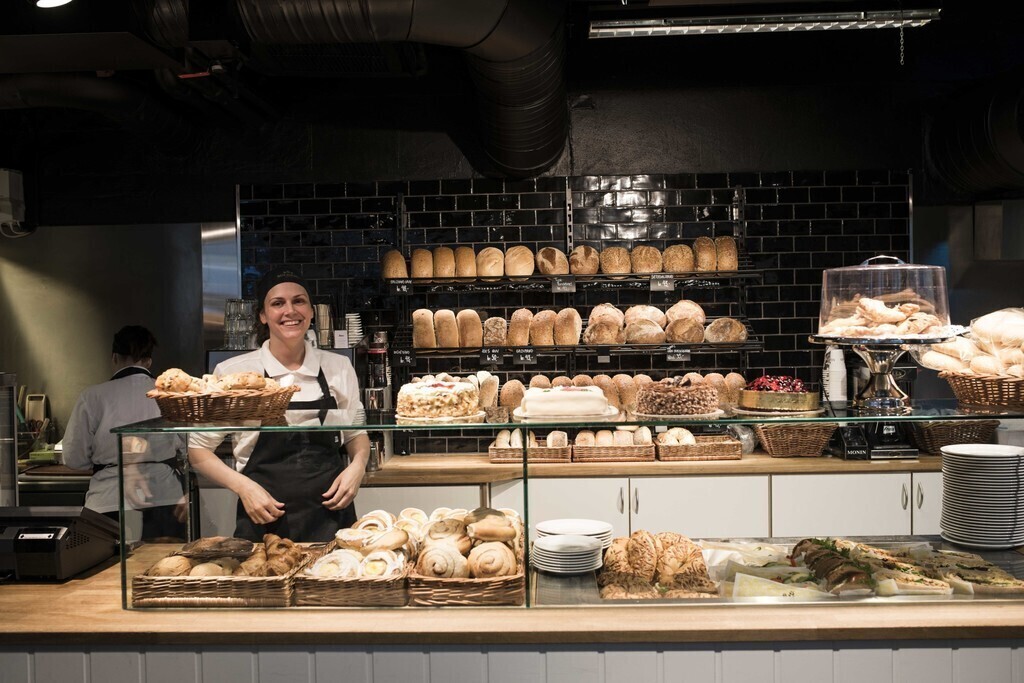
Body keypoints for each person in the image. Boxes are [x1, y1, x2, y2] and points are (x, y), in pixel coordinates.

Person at [188, 267, 370, 542]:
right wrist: (244, 488)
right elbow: (198, 451)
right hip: (263, 520)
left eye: (299, 301)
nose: (290, 311)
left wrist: (356, 468)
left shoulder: (339, 366)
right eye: (277, 303)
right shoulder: (233, 372)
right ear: (262, 315)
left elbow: (356, 434)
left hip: (332, 517)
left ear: (311, 311)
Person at [62, 325, 187, 541]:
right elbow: (190, 449)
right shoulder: (170, 395)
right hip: (164, 496)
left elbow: (73, 458)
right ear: (148, 361)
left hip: (107, 500)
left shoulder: (92, 396)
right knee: (163, 569)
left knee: (108, 572)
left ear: (114, 358)